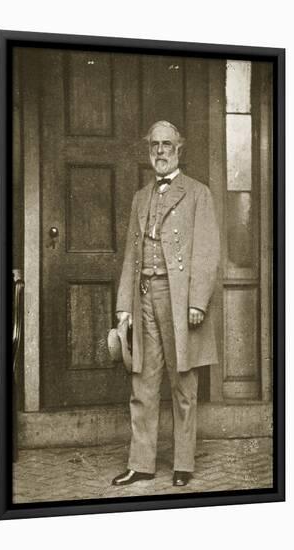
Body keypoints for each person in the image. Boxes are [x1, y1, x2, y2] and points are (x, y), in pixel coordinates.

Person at [112, 120, 220, 487]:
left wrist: (198, 302)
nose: (160, 151)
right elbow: (131, 253)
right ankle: (141, 463)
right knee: (142, 381)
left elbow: (207, 252)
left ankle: (183, 464)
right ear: (149, 151)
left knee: (183, 382)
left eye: (167, 145)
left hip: (179, 301)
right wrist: (123, 305)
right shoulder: (141, 196)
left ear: (179, 149)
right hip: (143, 296)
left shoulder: (198, 193)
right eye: (154, 145)